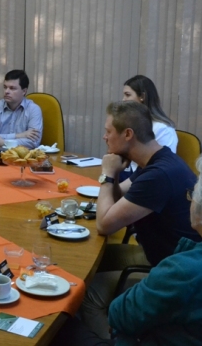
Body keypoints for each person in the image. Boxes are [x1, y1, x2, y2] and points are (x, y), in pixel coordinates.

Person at [79, 101, 200, 338]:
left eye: (108, 132)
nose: (104, 137)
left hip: (171, 270)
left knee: (88, 292)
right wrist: (113, 177)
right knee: (87, 263)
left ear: (127, 134)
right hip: (164, 254)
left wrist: (108, 173)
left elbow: (105, 224)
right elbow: (117, 198)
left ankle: (113, 341)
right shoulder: (158, 160)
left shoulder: (158, 175)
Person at [51, 157, 202, 345]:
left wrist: (107, 174)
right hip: (160, 267)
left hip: (145, 324)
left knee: (61, 322)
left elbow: (119, 314)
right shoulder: (165, 162)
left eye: (190, 196)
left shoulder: (184, 269)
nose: (189, 203)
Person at [120, 75, 177, 180]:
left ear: (142, 97)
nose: (123, 100)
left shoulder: (163, 129)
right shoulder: (132, 123)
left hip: (149, 178)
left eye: (127, 95)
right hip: (131, 173)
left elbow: (162, 167)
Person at [0, 70, 43, 149]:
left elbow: (33, 142)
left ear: (24, 91)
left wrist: (3, 142)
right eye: (5, 87)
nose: (6, 91)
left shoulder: (33, 110)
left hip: (23, 159)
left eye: (12, 88)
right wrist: (21, 135)